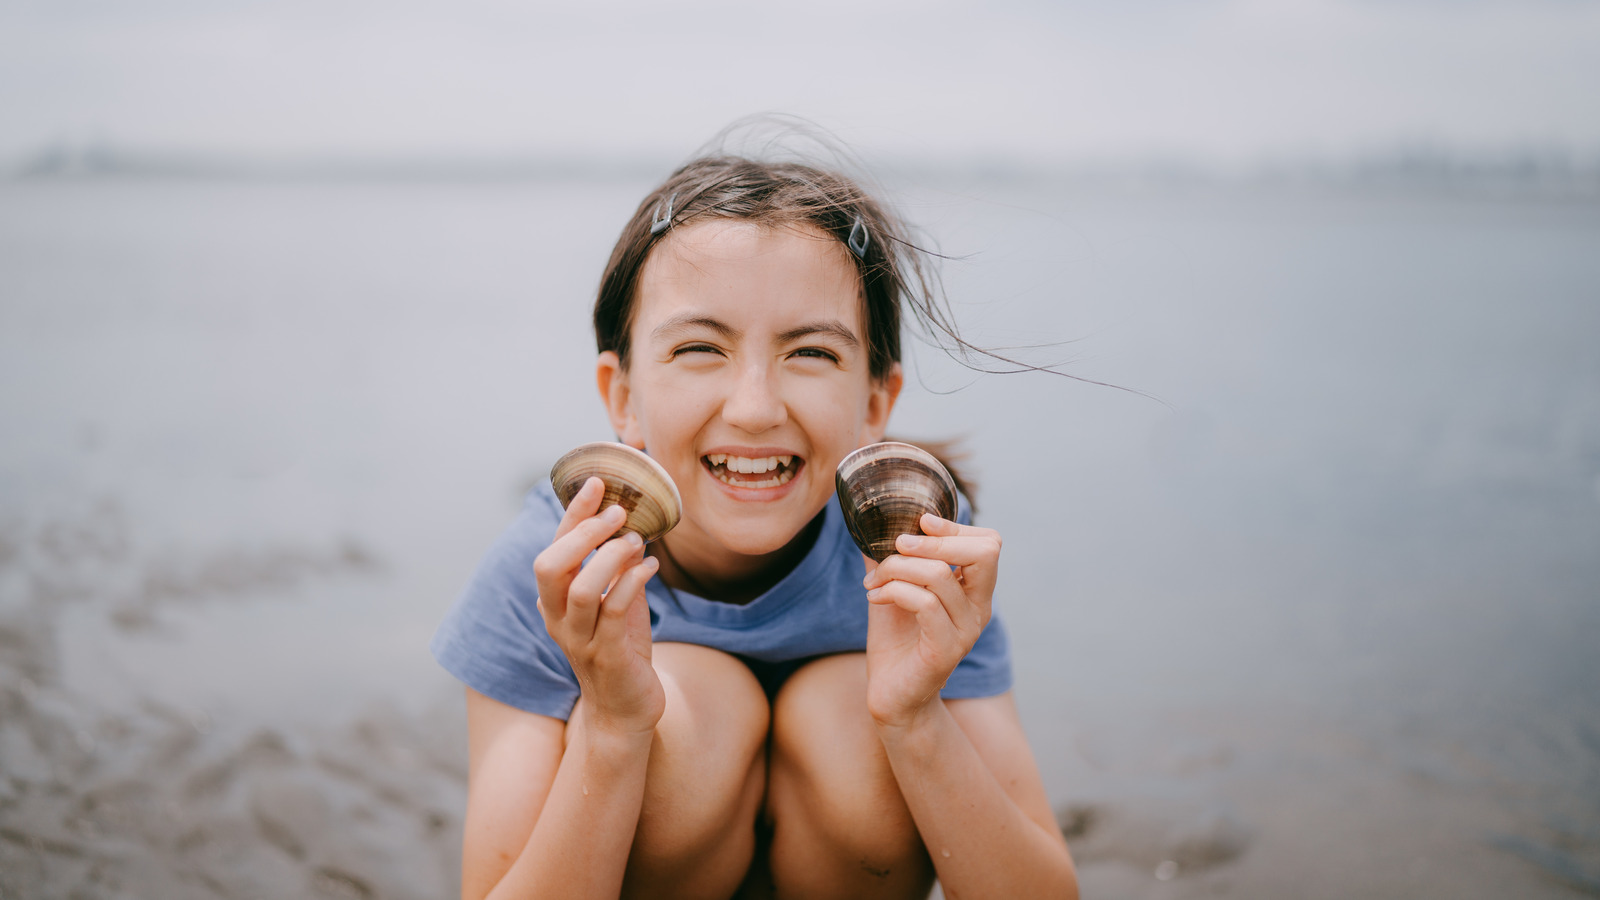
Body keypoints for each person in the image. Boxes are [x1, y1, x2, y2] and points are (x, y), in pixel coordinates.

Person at [431, 146, 1079, 899]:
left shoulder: (920, 557)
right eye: (699, 348)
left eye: (810, 352)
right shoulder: (552, 575)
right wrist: (614, 726)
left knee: (851, 710)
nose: (755, 408)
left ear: (876, 403)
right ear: (623, 397)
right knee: (688, 698)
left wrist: (915, 721)